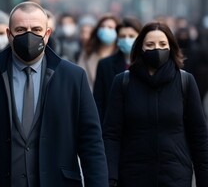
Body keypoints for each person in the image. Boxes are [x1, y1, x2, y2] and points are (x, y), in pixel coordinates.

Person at [0, 1, 108, 187]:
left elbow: (91, 143)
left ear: (47, 34)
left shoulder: (74, 78)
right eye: (20, 29)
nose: (29, 35)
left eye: (36, 29)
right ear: (9, 35)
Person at [103, 21, 208, 187]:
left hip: (176, 177)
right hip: (132, 177)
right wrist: (110, 177)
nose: (156, 49)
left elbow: (199, 136)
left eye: (162, 44)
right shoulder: (123, 82)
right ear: (141, 48)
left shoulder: (185, 81)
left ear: (171, 47)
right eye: (150, 44)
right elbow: (111, 134)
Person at [94, 16, 141, 123]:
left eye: (131, 36)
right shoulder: (105, 65)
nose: (126, 39)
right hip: (113, 126)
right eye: (122, 36)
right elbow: (98, 102)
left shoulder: (148, 64)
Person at [77, 13, 120, 90]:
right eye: (103, 27)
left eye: (110, 27)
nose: (106, 30)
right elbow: (79, 77)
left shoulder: (120, 55)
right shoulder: (87, 53)